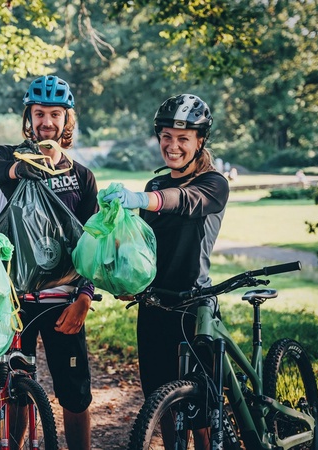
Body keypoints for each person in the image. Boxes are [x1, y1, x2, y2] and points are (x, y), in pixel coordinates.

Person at [0, 75, 98, 450]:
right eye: (39, 113)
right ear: (28, 117)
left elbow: (93, 247)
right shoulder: (8, 156)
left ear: (67, 121)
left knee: (76, 397)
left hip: (65, 303)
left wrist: (85, 299)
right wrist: (18, 169)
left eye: (55, 114)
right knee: (15, 389)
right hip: (14, 304)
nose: (47, 121)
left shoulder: (81, 177)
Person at [104, 93, 229, 423]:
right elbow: (141, 246)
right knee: (160, 405)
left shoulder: (214, 183)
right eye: (167, 137)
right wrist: (122, 274)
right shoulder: (156, 182)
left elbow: (184, 200)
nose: (173, 146)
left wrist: (143, 198)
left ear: (200, 141)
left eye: (183, 139)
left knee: (200, 415)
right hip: (154, 306)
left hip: (193, 307)